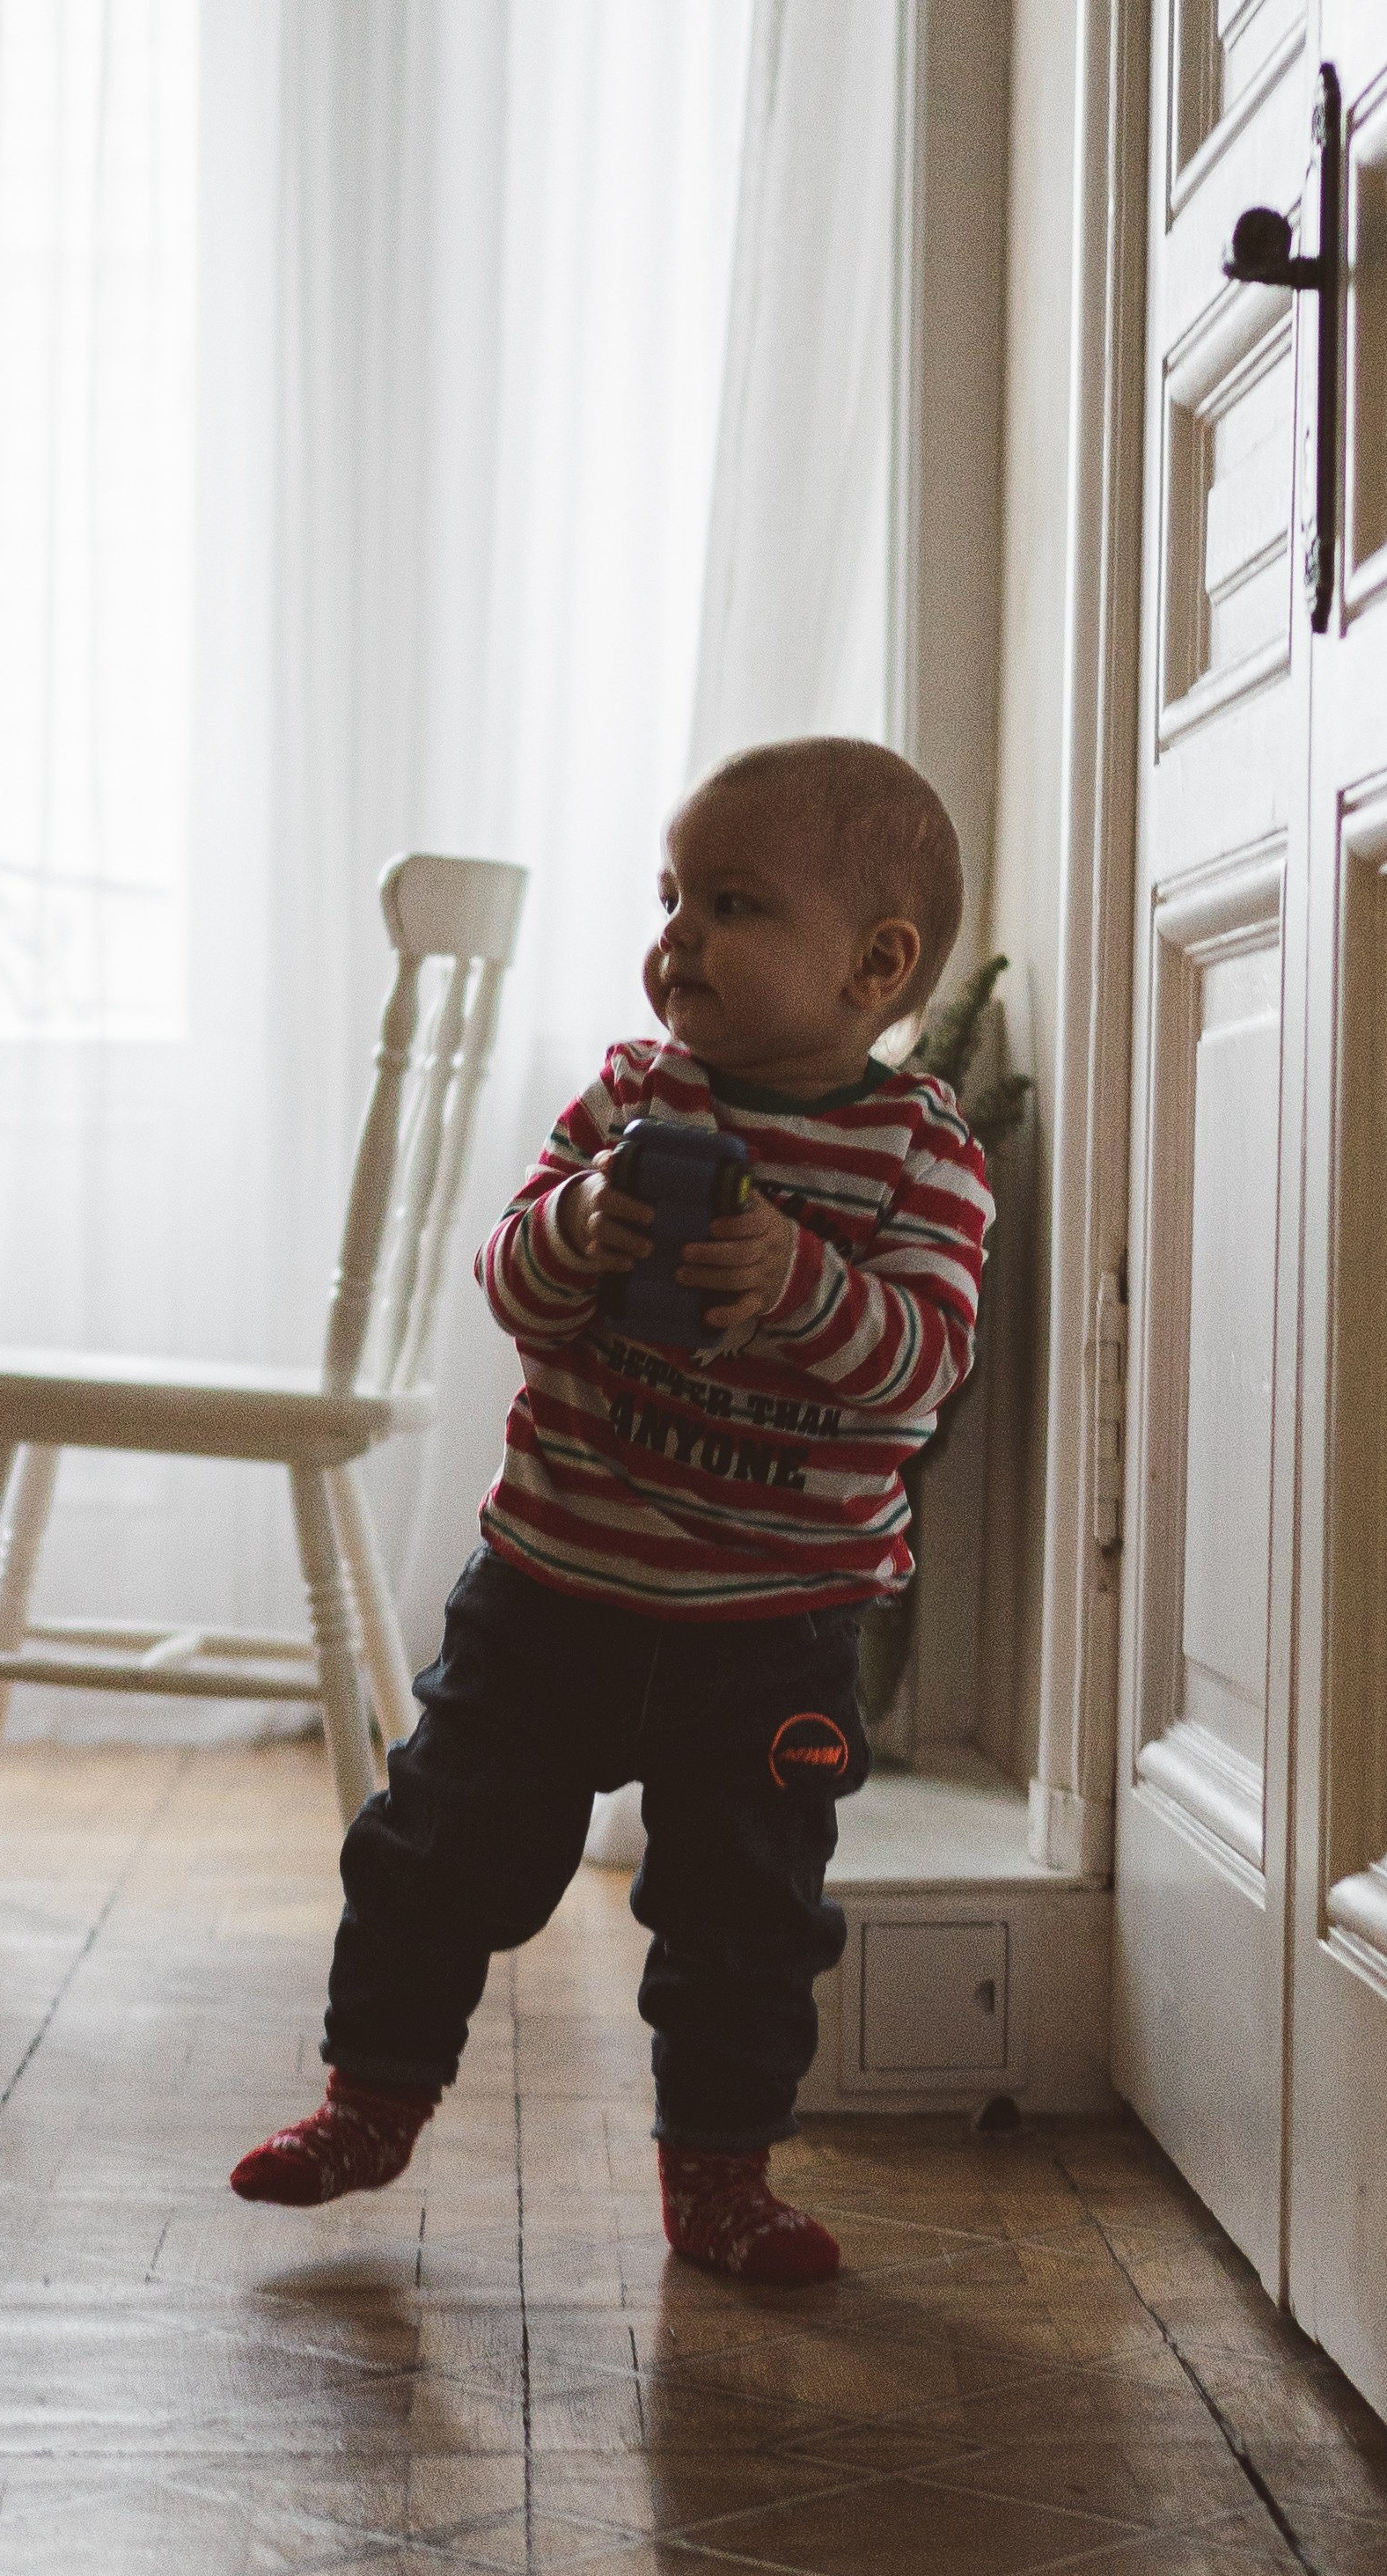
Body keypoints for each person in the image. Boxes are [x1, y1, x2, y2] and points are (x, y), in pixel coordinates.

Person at [231, 736, 994, 2283]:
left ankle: (717, 2174)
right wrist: (578, 1224)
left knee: (744, 1916)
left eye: (731, 904)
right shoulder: (632, 1096)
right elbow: (507, 1277)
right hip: (555, 1587)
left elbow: (918, 1369)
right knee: (431, 1852)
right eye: (669, 897)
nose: (678, 938)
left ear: (876, 964)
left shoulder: (923, 1160)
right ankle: (369, 2097)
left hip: (771, 1633)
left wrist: (799, 1284)